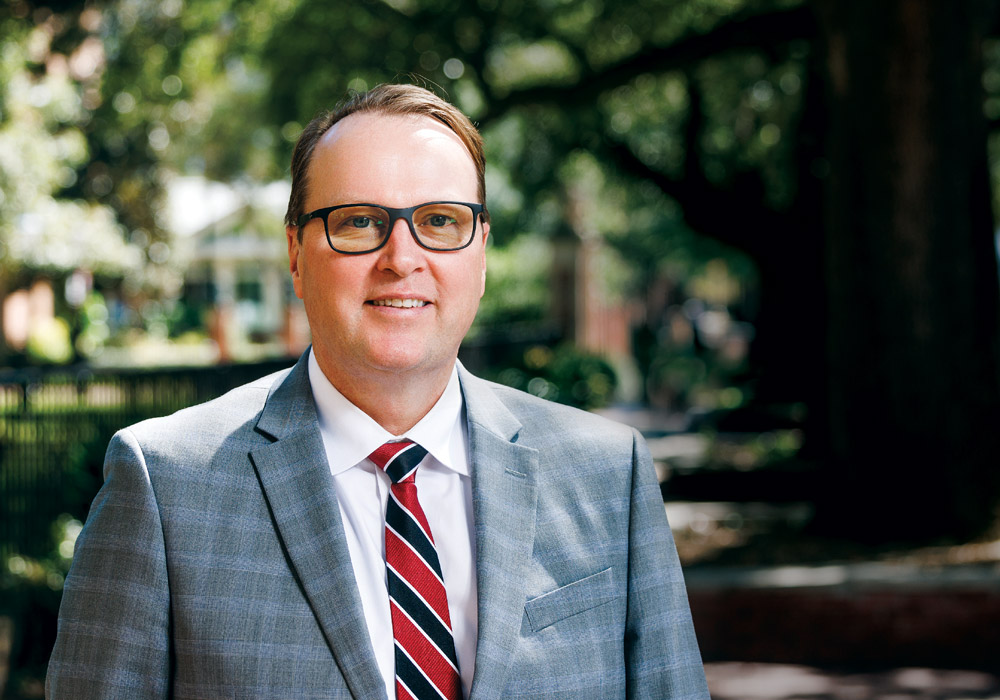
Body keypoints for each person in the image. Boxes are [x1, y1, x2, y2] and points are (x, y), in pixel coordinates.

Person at [46, 84, 709, 700]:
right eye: (360, 222)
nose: (401, 257)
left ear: (480, 252)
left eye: (441, 221)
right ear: (297, 255)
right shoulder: (164, 486)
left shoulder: (606, 474)